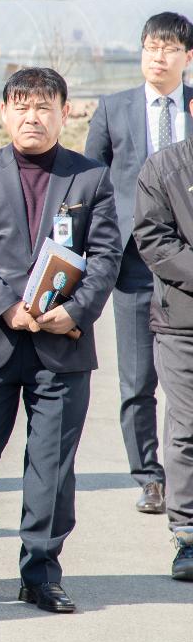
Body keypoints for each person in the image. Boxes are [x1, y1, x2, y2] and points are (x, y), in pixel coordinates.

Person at [0, 67, 122, 613]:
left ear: (64, 113)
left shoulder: (89, 178)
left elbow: (106, 256)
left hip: (62, 344)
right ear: (3, 112)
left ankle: (40, 570)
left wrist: (70, 312)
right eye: (21, 106)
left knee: (51, 464)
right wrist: (9, 308)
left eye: (44, 106)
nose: (32, 117)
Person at [85, 12, 193, 514]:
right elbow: (90, 185)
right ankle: (149, 476)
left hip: (188, 264)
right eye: (151, 47)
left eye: (170, 49)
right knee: (137, 379)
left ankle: (183, 475)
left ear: (187, 58)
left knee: (184, 377)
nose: (158, 56)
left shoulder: (192, 106)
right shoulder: (115, 108)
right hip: (133, 263)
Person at [134, 123, 193, 582]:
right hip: (183, 322)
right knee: (187, 426)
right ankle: (188, 534)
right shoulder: (165, 167)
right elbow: (154, 239)